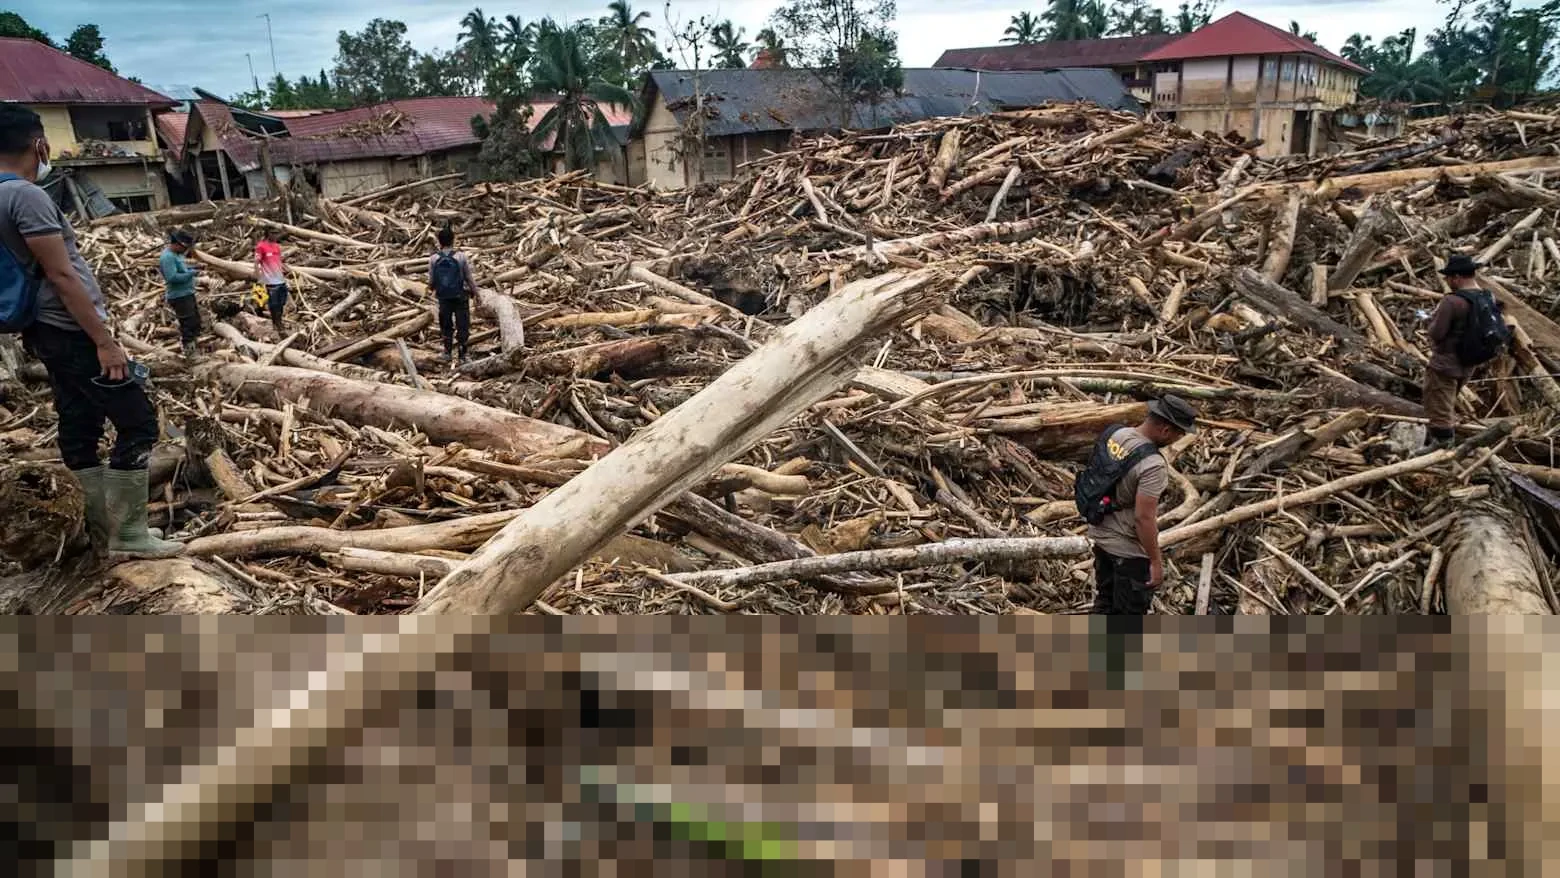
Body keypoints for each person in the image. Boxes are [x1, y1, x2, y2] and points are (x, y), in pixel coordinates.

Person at [0, 105, 180, 557]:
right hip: (69, 328)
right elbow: (61, 276)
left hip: (41, 330)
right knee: (137, 421)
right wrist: (105, 341)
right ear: (37, 143)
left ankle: (102, 533)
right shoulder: (25, 196)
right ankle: (129, 535)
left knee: (79, 420)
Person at [1077, 395, 1197, 615]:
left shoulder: (1116, 434)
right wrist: (1155, 561)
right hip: (1128, 551)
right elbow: (1144, 518)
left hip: (1101, 535)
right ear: (1165, 430)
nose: (1177, 439)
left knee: (1105, 604)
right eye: (1179, 434)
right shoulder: (1152, 465)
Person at [1422, 253, 1512, 448]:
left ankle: (1442, 450)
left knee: (1439, 408)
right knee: (1447, 404)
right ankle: (1436, 443)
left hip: (1445, 364)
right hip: (1469, 363)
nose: (1447, 281)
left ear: (1456, 277)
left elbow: (1437, 333)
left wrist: (1429, 320)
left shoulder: (1452, 301)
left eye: (1448, 277)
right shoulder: (1487, 296)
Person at [429, 225, 477, 364]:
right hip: (460, 295)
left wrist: (430, 289)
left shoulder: (433, 259)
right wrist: (476, 293)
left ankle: (447, 352)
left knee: (446, 324)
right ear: (453, 240)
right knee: (463, 324)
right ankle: (463, 355)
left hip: (443, 296)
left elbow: (432, 280)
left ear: (439, 241)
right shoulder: (461, 256)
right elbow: (468, 277)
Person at [159, 229, 201, 357]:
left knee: (195, 321)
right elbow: (172, 277)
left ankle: (195, 348)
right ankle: (190, 354)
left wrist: (192, 269)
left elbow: (181, 270)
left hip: (187, 293)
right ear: (177, 244)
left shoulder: (177, 254)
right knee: (187, 324)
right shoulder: (167, 257)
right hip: (179, 296)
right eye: (185, 247)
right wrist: (191, 274)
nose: (185, 250)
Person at [253, 228, 288, 335]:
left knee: (282, 302)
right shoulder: (261, 246)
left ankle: (278, 320)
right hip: (269, 280)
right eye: (273, 233)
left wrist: (285, 269)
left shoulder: (277, 246)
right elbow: (257, 262)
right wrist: (259, 277)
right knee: (274, 304)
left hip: (280, 278)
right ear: (267, 234)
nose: (275, 235)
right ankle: (277, 323)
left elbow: (278, 261)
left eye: (277, 233)